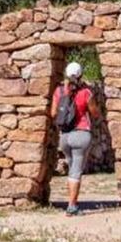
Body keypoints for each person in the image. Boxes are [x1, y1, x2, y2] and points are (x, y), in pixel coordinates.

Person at [49, 61, 100, 216]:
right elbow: (95, 112)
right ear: (80, 75)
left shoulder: (58, 91)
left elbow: (53, 114)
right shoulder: (85, 92)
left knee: (72, 169)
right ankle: (72, 206)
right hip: (81, 134)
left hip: (65, 137)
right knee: (76, 171)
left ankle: (71, 201)